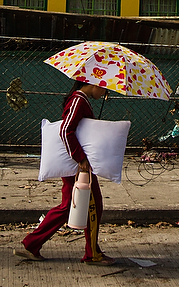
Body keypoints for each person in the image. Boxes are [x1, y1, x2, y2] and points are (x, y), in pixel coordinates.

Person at [15, 80, 115, 265]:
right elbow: (66, 130)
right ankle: (92, 254)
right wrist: (81, 159)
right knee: (93, 205)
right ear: (94, 84)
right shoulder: (78, 101)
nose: (105, 93)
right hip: (77, 165)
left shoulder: (80, 100)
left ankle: (31, 244)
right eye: (104, 88)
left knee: (69, 206)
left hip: (75, 165)